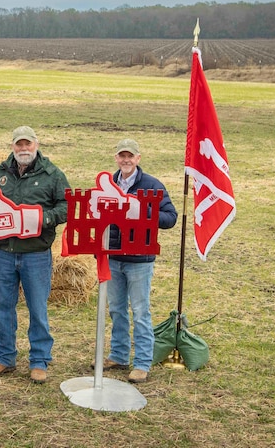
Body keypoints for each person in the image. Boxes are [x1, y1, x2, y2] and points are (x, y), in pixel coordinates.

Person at [0, 126, 70, 384]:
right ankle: (5, 357)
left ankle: (39, 360)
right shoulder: (2, 173)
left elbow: (67, 205)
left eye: (27, 144)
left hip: (36, 253)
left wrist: (46, 218)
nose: (23, 149)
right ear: (12, 147)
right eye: (19, 145)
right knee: (2, 307)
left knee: (37, 308)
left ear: (36, 145)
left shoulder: (52, 174)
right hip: (6, 252)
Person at [102, 138, 177, 383]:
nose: (126, 160)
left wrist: (142, 210)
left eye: (130, 156)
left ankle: (142, 362)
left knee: (141, 311)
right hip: (113, 255)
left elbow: (170, 218)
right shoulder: (107, 184)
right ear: (116, 158)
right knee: (116, 309)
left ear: (138, 159)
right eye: (122, 156)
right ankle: (119, 355)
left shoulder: (152, 185)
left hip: (139, 259)